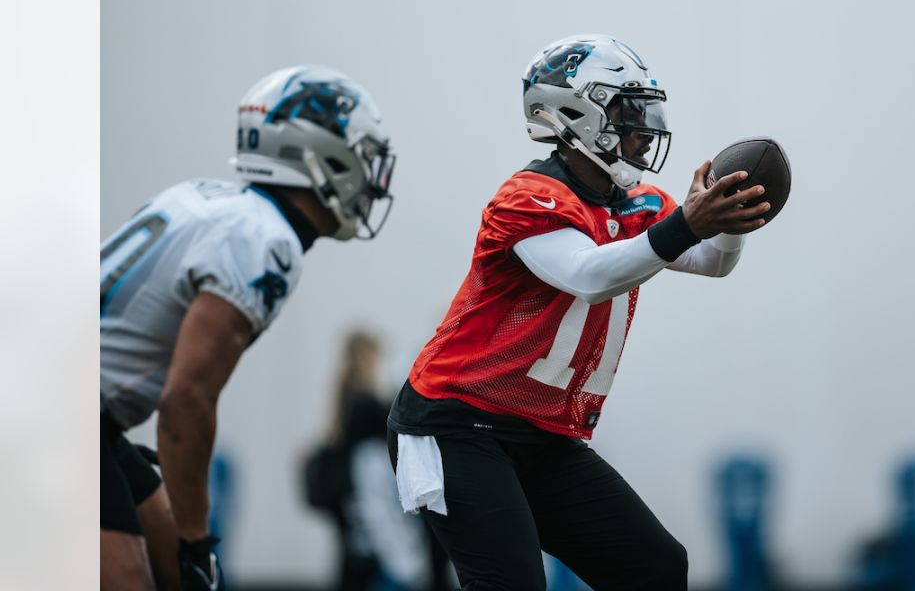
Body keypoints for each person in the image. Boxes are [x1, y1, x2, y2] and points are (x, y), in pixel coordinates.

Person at [386, 34, 770, 590]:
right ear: (576, 113)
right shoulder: (527, 196)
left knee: (653, 568)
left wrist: (730, 224)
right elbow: (588, 276)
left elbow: (712, 260)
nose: (644, 128)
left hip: (538, 431)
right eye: (627, 110)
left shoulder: (635, 202)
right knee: (512, 584)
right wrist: (689, 221)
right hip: (455, 423)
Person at [100, 66, 396, 590]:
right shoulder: (265, 239)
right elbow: (186, 399)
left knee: (166, 559)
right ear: (318, 156)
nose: (369, 179)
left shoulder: (210, 199)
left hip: (82, 415)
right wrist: (197, 536)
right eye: (361, 157)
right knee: (153, 572)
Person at [313, 330, 450, 590]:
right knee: (370, 559)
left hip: (352, 492)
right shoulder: (363, 400)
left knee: (354, 558)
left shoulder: (345, 391)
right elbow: (388, 417)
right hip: (363, 490)